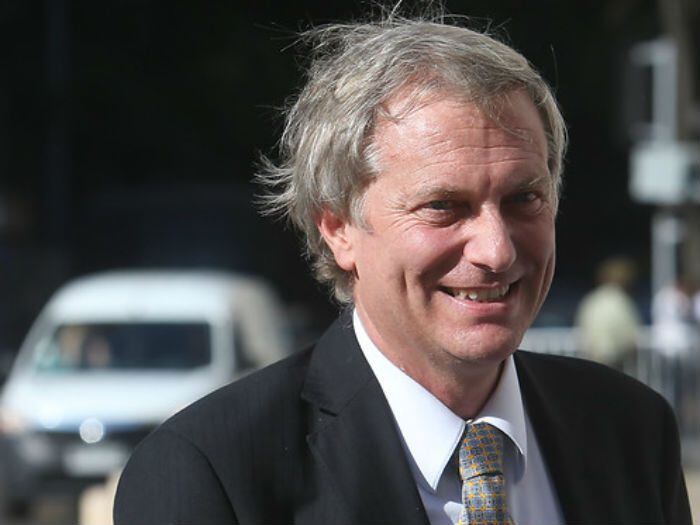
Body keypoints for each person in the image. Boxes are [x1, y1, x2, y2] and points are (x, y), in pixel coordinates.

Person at [114, 11, 691, 525]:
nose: (496, 250)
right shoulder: (213, 473)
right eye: (443, 206)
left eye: (524, 199)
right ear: (338, 227)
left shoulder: (630, 431)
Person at [574, 257, 642, 371]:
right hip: (615, 358)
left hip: (593, 357)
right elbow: (630, 335)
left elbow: (582, 327)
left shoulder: (592, 300)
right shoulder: (620, 300)